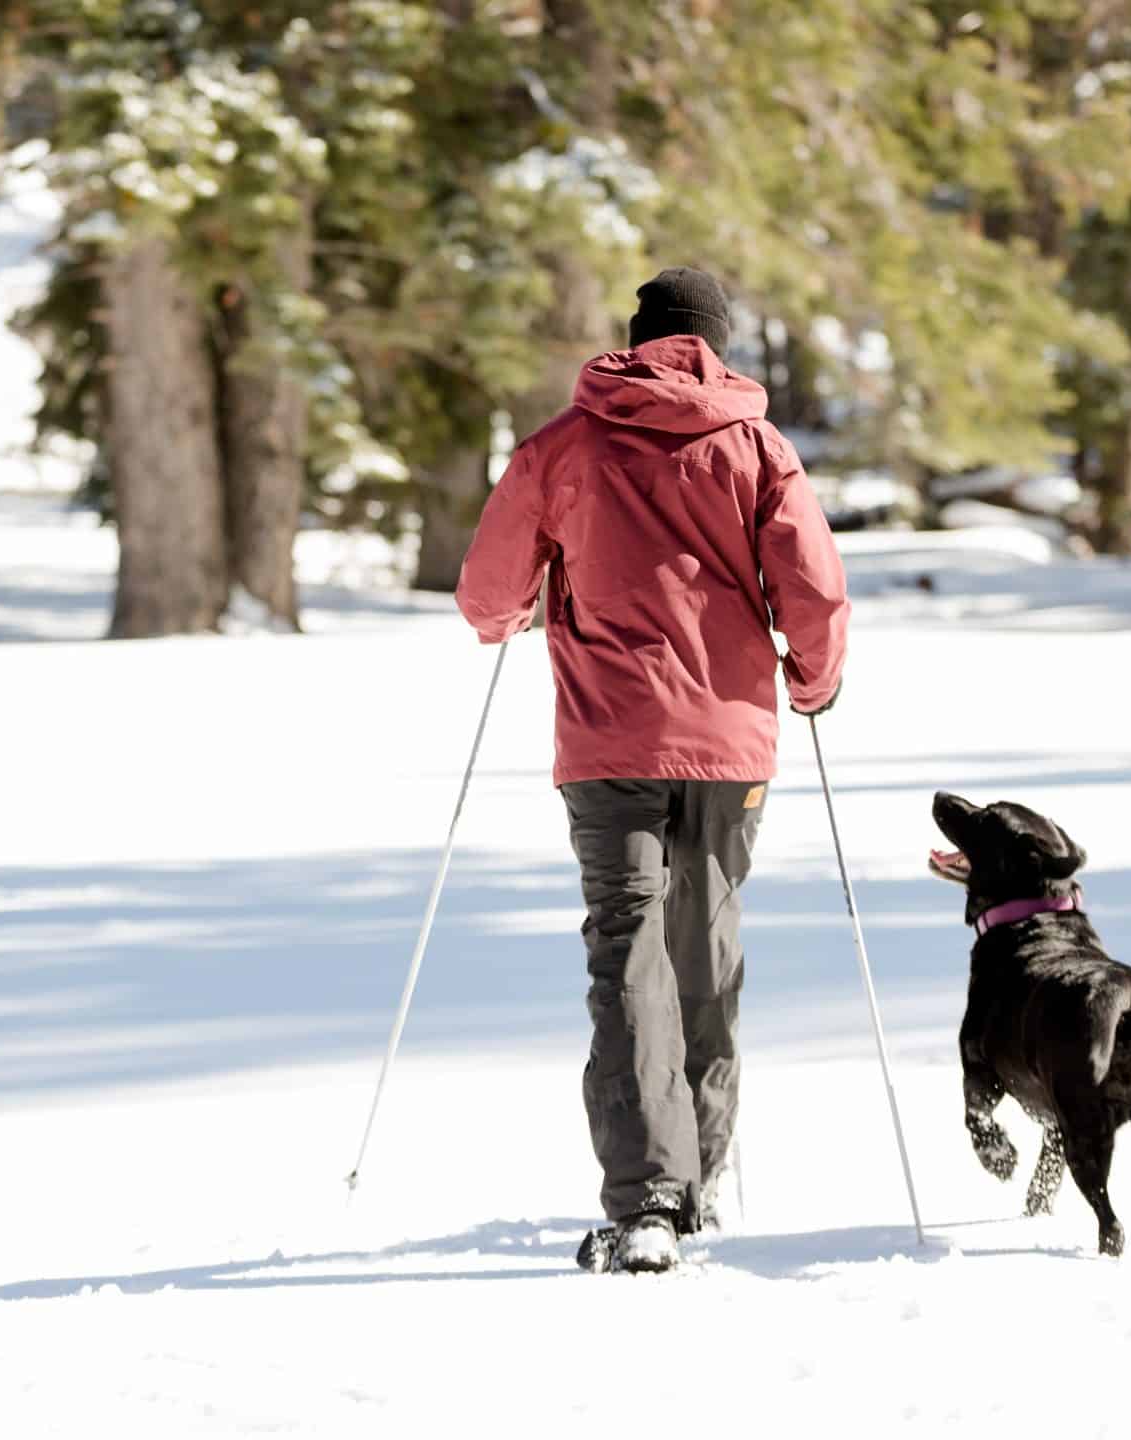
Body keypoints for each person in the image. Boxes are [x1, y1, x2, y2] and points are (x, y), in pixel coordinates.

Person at [455, 266, 851, 1274]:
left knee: (626, 956)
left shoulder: (563, 444)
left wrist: (507, 617)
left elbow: (489, 589)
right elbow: (810, 584)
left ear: (636, 339)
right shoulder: (756, 445)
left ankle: (647, 1198)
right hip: (728, 741)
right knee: (702, 949)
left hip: (606, 738)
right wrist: (813, 680)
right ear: (715, 346)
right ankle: (701, 1172)